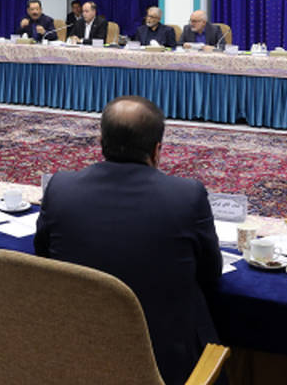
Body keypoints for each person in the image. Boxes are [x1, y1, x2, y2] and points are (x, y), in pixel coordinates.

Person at [34, 96, 221, 384]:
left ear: (101, 142)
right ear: (157, 150)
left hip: (72, 354)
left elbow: (43, 256)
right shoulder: (187, 196)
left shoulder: (60, 187)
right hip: (162, 366)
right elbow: (210, 273)